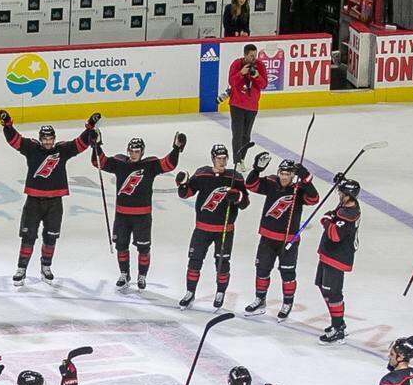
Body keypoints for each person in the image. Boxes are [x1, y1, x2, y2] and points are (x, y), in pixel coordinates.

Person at [0, 110, 98, 284]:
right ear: (40, 138)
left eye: (50, 139)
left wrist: (90, 129)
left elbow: (79, 144)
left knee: (51, 237)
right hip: (33, 201)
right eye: (45, 139)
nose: (48, 142)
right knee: (28, 237)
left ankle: (46, 266)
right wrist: (7, 124)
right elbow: (14, 140)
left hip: (55, 203)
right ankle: (21, 268)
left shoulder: (62, 150)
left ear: (54, 138)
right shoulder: (32, 148)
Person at [93, 130, 185, 290]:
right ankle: (124, 274)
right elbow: (99, 162)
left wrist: (177, 148)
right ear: (128, 150)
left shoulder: (150, 165)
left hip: (142, 216)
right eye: (132, 151)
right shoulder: (119, 163)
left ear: (142, 152)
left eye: (137, 151)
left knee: (143, 248)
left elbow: (169, 164)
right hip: (122, 215)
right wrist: (96, 145)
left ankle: (142, 276)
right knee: (121, 245)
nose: (134, 154)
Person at [243, 154, 320, 319]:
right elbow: (250, 185)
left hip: (288, 240)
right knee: (262, 269)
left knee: (288, 273)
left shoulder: (299, 190)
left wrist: (306, 178)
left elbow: (314, 199)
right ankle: (260, 299)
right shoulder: (271, 183)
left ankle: (287, 303)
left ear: (293, 175)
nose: (284, 177)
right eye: (282, 173)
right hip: (267, 237)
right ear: (278, 172)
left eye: (288, 174)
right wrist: (256, 170)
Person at [177, 143, 249, 310]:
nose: (222, 162)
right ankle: (190, 292)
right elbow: (186, 193)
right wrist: (182, 184)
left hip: (224, 230)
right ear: (212, 159)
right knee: (194, 261)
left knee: (222, 262)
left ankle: (220, 292)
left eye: (224, 158)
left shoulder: (235, 178)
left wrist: (237, 196)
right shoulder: (203, 174)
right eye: (219, 158)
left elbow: (245, 203)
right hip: (202, 228)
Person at [314, 176, 361, 343]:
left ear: (348, 195)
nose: (339, 194)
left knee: (333, 292)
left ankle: (338, 328)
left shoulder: (349, 213)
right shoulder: (345, 205)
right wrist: (342, 179)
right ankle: (338, 322)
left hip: (337, 257)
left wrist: (326, 220)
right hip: (328, 254)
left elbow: (334, 235)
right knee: (322, 285)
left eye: (341, 192)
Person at [223, 43, 267, 167]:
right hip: (237, 105)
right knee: (237, 134)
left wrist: (257, 76)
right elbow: (231, 82)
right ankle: (236, 161)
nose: (254, 58)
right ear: (245, 55)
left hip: (252, 106)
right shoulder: (237, 64)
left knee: (246, 136)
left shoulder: (260, 66)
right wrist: (241, 73)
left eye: (255, 55)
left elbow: (264, 85)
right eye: (251, 56)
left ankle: (242, 158)